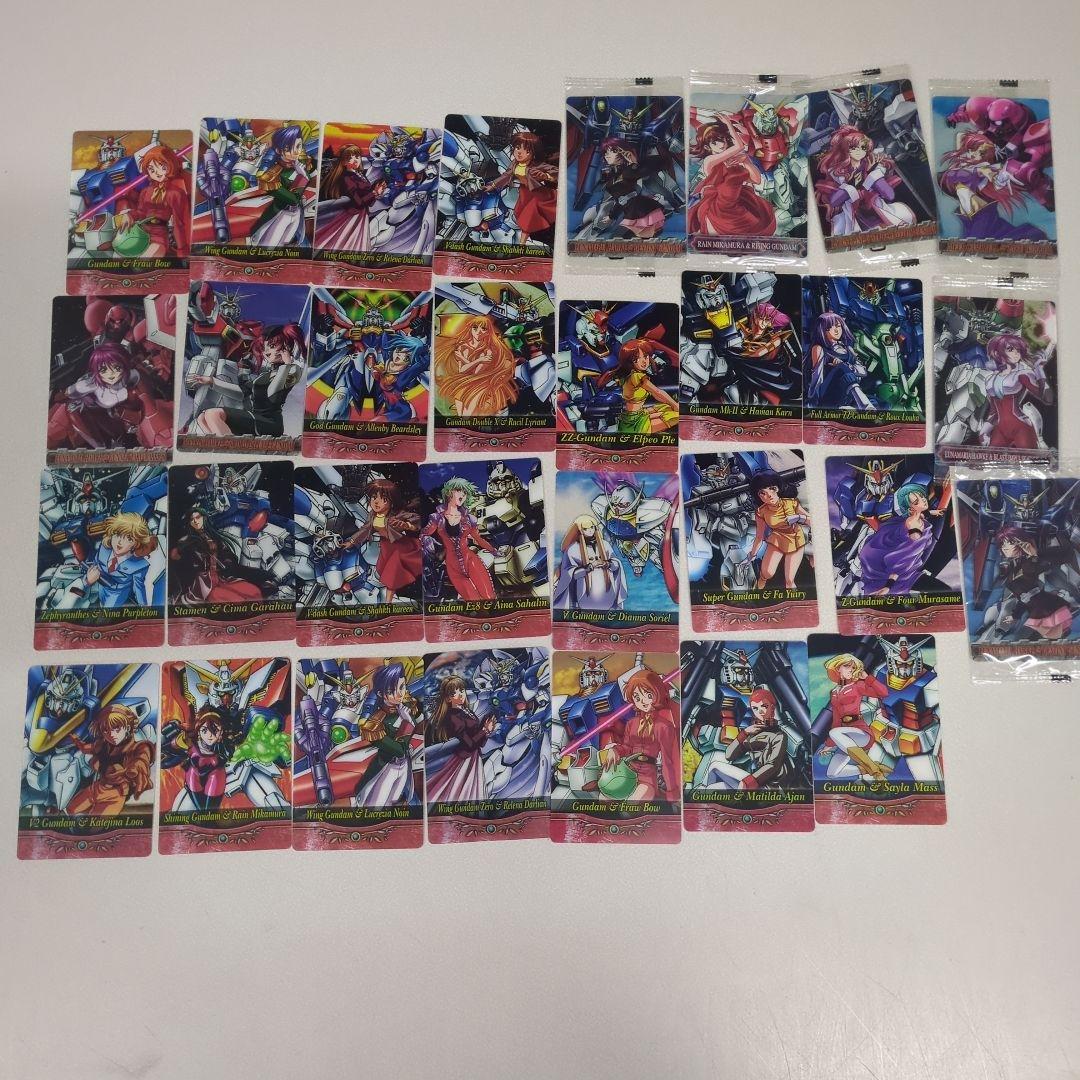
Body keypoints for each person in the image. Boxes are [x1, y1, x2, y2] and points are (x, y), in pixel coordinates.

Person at [815, 125, 915, 236]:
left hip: (878, 212)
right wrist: (849, 189)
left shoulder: (872, 165)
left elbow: (889, 195)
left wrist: (874, 178)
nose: (859, 151)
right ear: (846, 149)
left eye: (863, 148)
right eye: (854, 148)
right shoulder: (838, 174)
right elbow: (834, 201)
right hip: (855, 219)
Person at [599, 668, 678, 802]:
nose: (643, 701)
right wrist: (615, 750)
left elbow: (667, 762)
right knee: (603, 799)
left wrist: (672, 793)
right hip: (627, 773)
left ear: (657, 693)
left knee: (632, 804)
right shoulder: (632, 723)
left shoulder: (663, 726)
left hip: (648, 778)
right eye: (637, 697)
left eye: (648, 695)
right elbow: (627, 747)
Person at [858, 481, 950, 596]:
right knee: (945, 591)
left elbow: (923, 514)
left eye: (921, 496)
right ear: (910, 510)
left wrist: (935, 511)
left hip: (908, 569)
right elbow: (900, 562)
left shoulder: (917, 517)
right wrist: (888, 587)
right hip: (897, 576)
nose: (923, 499)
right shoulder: (913, 529)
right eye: (916, 502)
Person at [688, 116, 776, 237]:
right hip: (720, 205)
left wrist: (746, 161)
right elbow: (739, 146)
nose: (721, 144)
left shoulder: (734, 160)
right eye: (714, 142)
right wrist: (729, 124)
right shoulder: (709, 161)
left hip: (739, 201)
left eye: (722, 139)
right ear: (707, 147)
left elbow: (756, 180)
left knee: (757, 221)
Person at [352, 663, 422, 807]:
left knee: (395, 803)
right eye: (391, 691)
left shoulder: (405, 708)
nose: (399, 694)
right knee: (376, 806)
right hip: (385, 770)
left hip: (404, 766)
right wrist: (407, 723)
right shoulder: (376, 722)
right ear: (380, 694)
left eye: (402, 687)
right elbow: (399, 750)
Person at [66, 703, 153, 816]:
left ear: (127, 728)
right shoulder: (103, 745)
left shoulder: (139, 747)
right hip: (98, 787)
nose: (111, 734)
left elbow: (141, 761)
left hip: (116, 794)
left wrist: (134, 768)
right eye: (106, 731)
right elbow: (87, 748)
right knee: (70, 810)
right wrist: (77, 741)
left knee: (94, 823)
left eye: (116, 729)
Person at [421, 478, 498, 601]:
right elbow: (424, 534)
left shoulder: (470, 519)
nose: (462, 495)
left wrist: (493, 551)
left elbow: (478, 539)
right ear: (448, 493)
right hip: (453, 567)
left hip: (471, 561)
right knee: (474, 602)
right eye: (459, 491)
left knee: (490, 598)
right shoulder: (437, 518)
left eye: (465, 492)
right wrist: (426, 540)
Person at [819, 654, 890, 782]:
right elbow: (836, 721)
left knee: (834, 732)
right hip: (845, 737)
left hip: (861, 733)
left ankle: (874, 771)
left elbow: (884, 693)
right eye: (847, 666)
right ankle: (871, 767)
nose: (851, 669)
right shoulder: (834, 693)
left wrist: (867, 678)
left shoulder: (857, 686)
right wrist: (829, 745)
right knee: (832, 773)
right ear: (838, 668)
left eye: (853, 667)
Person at [114, 143, 191, 258]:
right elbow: (141, 213)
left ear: (171, 165)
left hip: (159, 237)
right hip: (140, 234)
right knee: (117, 257)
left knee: (144, 261)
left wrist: (182, 251)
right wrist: (129, 215)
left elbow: (179, 224)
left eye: (162, 167)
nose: (157, 172)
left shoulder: (176, 193)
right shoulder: (146, 191)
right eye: (151, 169)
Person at [425, 676, 493, 802]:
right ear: (448, 698)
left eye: (461, 690)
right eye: (454, 693)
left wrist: (485, 730)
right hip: (465, 759)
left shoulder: (465, 710)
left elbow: (477, 741)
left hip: (473, 756)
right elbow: (469, 744)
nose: (460, 695)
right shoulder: (453, 717)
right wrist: (484, 730)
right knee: (461, 790)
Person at [434, 315, 518, 417]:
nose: (478, 332)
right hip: (464, 382)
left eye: (483, 329)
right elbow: (462, 370)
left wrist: (465, 359)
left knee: (469, 410)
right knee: (463, 414)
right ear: (470, 329)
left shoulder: (488, 350)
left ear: (488, 332)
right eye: (475, 328)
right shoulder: (463, 346)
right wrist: (478, 360)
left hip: (481, 383)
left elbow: (476, 373)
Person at [596, 333, 679, 434]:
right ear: (630, 362)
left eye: (645, 356)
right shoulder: (637, 376)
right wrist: (675, 404)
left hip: (637, 415)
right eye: (637, 359)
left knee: (666, 408)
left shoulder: (630, 375)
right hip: (634, 424)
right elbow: (657, 392)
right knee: (678, 415)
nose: (643, 361)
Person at [747, 471, 811, 589]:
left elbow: (813, 521)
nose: (769, 495)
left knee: (789, 581)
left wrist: (799, 517)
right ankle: (760, 583)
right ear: (758, 496)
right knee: (767, 573)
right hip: (777, 539)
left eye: (772, 489)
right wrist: (752, 555)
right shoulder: (761, 512)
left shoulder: (792, 503)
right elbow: (759, 537)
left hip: (796, 539)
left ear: (778, 489)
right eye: (763, 493)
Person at [80, 511, 157, 607]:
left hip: (117, 595)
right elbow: (94, 566)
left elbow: (139, 589)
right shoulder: (104, 549)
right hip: (101, 588)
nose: (120, 542)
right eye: (118, 534)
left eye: (129, 539)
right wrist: (87, 581)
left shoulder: (139, 565)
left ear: (136, 544)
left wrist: (144, 609)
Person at [722, 688, 794, 791]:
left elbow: (772, 765)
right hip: (750, 776)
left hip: (767, 786)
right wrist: (744, 733)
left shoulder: (779, 735)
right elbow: (729, 755)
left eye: (764, 706)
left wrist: (748, 782)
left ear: (772, 708)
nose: (760, 712)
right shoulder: (751, 731)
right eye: (755, 708)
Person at [553, 514, 626, 611]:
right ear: (580, 530)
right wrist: (589, 567)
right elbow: (570, 573)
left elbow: (616, 564)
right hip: (586, 594)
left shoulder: (605, 544)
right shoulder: (573, 549)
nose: (590, 530)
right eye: (585, 529)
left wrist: (607, 564)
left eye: (592, 527)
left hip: (608, 592)